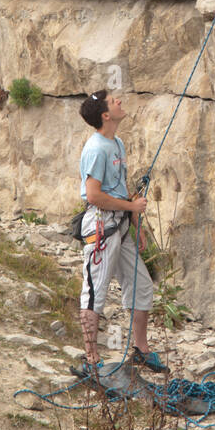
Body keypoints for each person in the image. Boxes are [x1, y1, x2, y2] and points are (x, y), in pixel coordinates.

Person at [75, 90, 164, 379]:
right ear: (105, 115)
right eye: (114, 101)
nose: (120, 102)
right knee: (95, 293)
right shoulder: (96, 148)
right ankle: (92, 359)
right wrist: (131, 206)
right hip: (101, 225)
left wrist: (136, 224)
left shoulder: (117, 143)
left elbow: (122, 187)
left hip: (122, 225)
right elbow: (94, 195)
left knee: (142, 286)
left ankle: (140, 349)